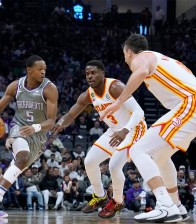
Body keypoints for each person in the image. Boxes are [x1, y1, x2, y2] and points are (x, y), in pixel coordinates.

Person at [100, 34, 193, 222]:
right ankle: (176, 206)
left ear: (128, 51)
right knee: (160, 157)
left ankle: (165, 205)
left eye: (124, 55)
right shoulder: (162, 59)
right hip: (188, 106)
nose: (125, 59)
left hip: (189, 104)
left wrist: (118, 102)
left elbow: (141, 71)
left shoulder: (142, 57)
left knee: (138, 150)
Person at [53, 60, 147, 218]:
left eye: (93, 73)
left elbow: (139, 112)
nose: (90, 76)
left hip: (134, 128)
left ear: (103, 74)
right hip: (115, 130)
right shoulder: (88, 94)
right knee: (89, 161)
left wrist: (125, 130)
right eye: (87, 74)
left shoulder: (115, 87)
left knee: (114, 165)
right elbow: (71, 114)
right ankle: (100, 196)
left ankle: (118, 200)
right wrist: (60, 124)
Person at [0, 55, 58, 217]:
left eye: (44, 69)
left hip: (38, 135)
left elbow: (51, 121)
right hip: (18, 127)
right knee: (22, 157)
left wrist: (35, 127)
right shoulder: (15, 86)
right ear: (29, 70)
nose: (43, 72)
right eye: (39, 69)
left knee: (15, 169)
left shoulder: (49, 89)